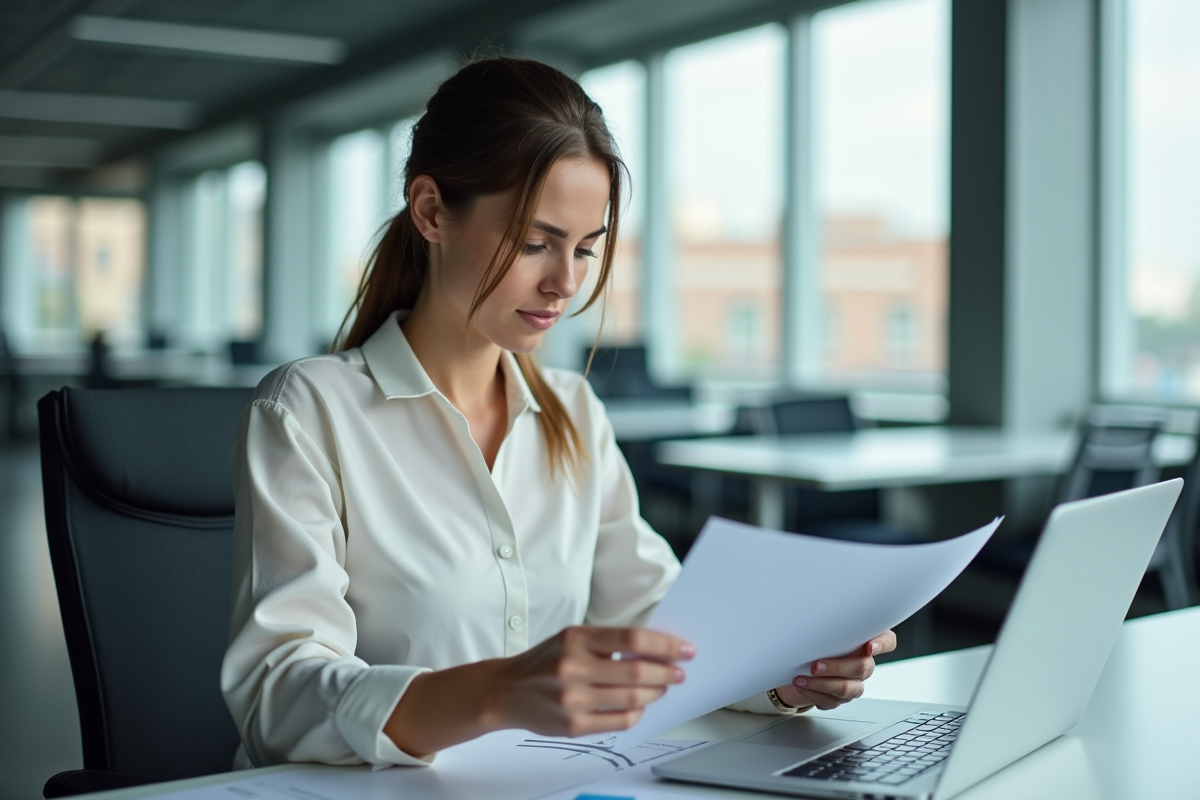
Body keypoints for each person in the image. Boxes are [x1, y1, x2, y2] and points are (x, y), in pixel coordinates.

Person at [220, 55, 896, 770]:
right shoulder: (308, 410)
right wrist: (494, 694)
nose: (565, 283)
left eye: (583, 248)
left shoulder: (571, 410)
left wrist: (790, 671)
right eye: (535, 243)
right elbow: (277, 694)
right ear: (430, 212)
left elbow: (660, 628)